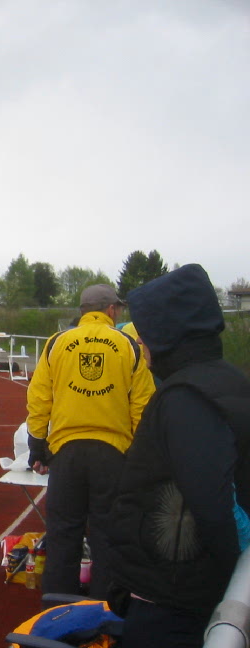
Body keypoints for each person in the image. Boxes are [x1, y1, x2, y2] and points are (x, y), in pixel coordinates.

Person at [108, 264, 250, 648]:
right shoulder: (232, 381)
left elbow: (214, 503)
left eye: (146, 331)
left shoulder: (185, 399)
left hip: (173, 602)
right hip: (193, 593)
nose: (142, 343)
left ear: (167, 334)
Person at [26, 284, 155, 600]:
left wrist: (36, 447)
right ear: (111, 310)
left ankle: (55, 610)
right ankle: (104, 616)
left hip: (67, 453)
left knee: (62, 536)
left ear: (84, 310)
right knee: (108, 539)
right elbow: (143, 406)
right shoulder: (128, 345)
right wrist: (140, 458)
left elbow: (39, 396)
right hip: (112, 455)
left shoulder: (58, 343)